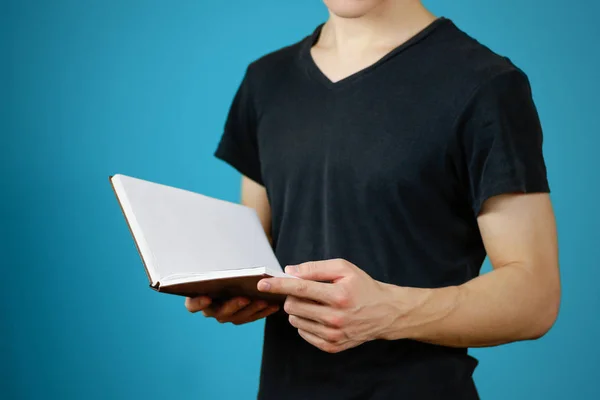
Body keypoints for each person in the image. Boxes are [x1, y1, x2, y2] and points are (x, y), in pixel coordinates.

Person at [185, 0, 561, 398]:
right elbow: (258, 255)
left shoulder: (487, 84)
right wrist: (232, 288)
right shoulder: (265, 80)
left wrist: (387, 312)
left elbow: (535, 298)